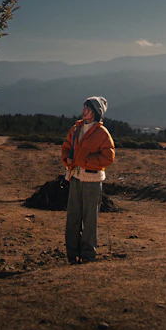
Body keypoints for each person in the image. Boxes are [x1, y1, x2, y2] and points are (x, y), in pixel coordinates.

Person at [61, 96, 115, 264]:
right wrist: (67, 160)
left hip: (92, 180)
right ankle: (72, 254)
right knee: (73, 216)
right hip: (75, 177)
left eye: (88, 108)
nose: (84, 111)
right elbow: (66, 148)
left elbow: (108, 157)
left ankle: (88, 255)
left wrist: (85, 162)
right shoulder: (76, 129)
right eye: (84, 107)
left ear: (96, 112)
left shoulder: (102, 133)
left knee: (90, 218)